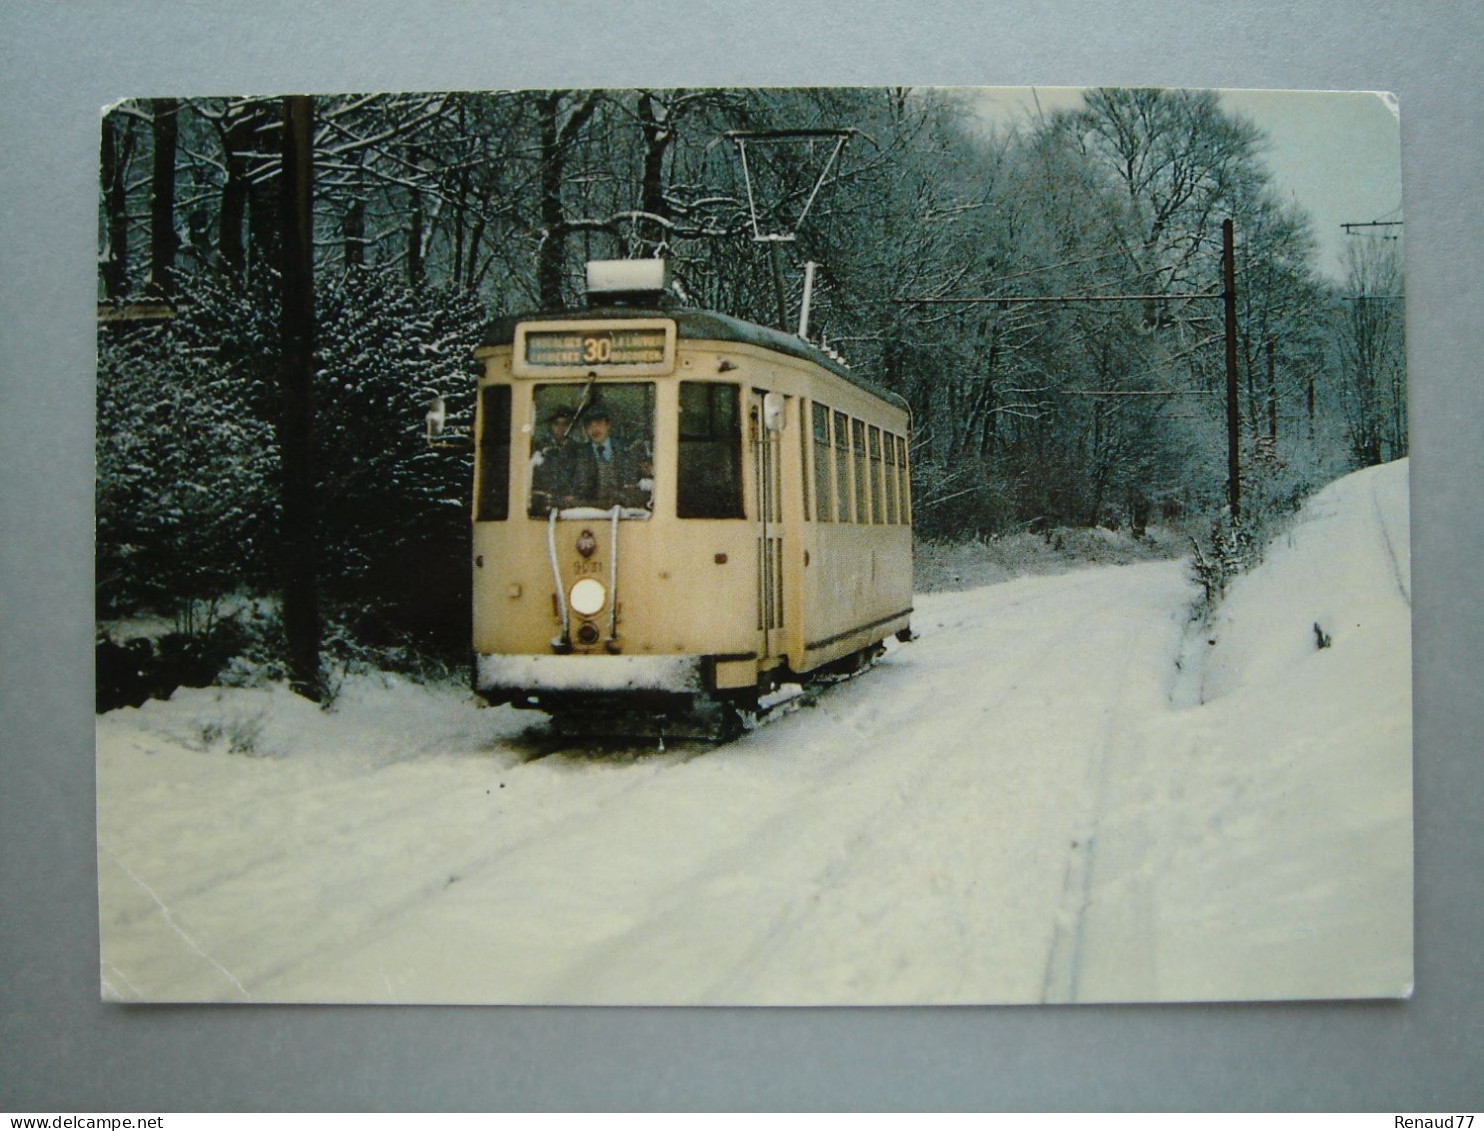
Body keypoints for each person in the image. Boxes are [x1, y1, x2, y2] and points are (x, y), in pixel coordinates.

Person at [564, 404, 649, 510]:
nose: (594, 429)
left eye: (599, 424)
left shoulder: (626, 451)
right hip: (592, 511)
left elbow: (632, 485)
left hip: (623, 511)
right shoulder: (579, 455)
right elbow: (577, 491)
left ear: (608, 425)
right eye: (589, 425)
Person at [529, 404, 576, 514]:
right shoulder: (538, 448)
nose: (560, 428)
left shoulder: (576, 450)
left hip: (568, 506)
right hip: (544, 504)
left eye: (565, 424)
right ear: (550, 425)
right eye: (556, 424)